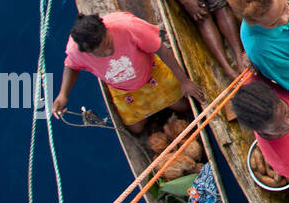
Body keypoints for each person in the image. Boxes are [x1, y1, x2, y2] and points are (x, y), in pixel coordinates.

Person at [53, 11, 204, 135]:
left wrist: (184, 81)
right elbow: (71, 66)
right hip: (122, 89)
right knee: (136, 129)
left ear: (105, 28)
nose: (109, 51)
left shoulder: (128, 27)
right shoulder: (76, 51)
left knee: (183, 106)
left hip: (151, 73)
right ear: (88, 51)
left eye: (108, 44)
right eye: (101, 52)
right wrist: (63, 94)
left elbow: (161, 49)